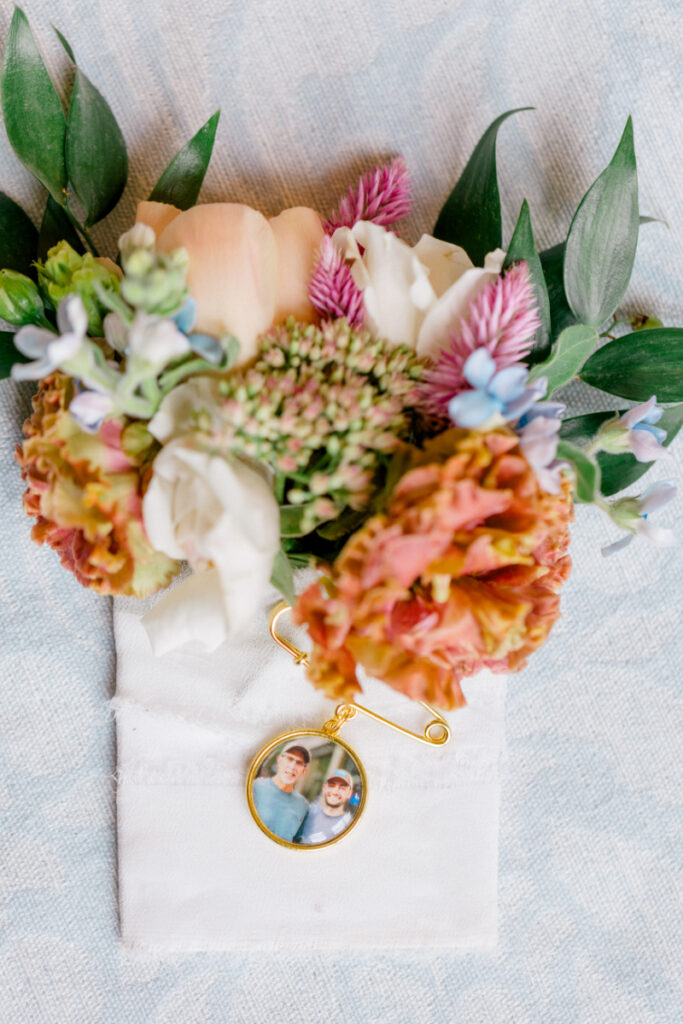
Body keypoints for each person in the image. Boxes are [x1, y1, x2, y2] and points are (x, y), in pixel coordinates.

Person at [252, 743, 310, 842]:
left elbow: (296, 841)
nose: (293, 766)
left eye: (299, 763)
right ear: (279, 760)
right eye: (290, 759)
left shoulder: (303, 806)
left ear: (304, 771)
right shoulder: (256, 788)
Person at [295, 769, 355, 845]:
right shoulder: (307, 812)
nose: (335, 792)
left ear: (349, 793)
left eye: (342, 788)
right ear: (324, 788)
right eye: (331, 786)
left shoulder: (350, 827)